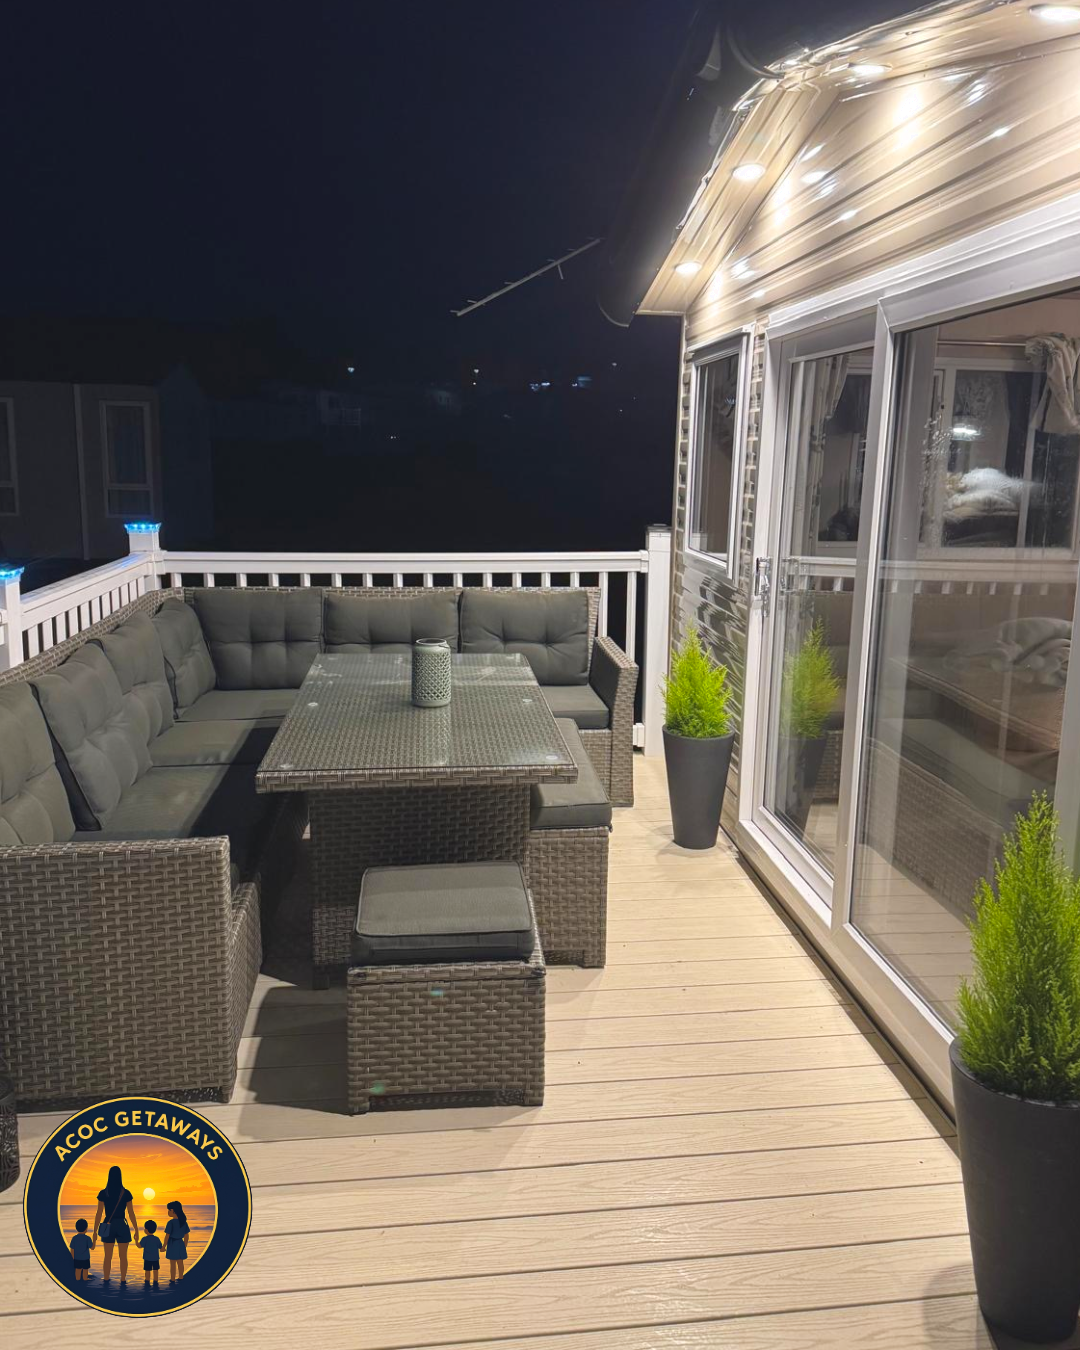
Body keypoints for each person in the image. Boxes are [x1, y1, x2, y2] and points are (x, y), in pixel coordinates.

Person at [92, 1164, 138, 1286]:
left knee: (107, 1256)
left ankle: (106, 1279)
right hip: (122, 1225)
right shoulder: (126, 1193)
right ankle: (123, 1280)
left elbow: (99, 1213)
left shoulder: (104, 1193)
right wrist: (136, 1229)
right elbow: (131, 1213)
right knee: (123, 1256)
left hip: (108, 1225)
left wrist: (95, 1232)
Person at [164, 1201, 190, 1284]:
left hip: (172, 1243)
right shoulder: (183, 1222)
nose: (168, 1212)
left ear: (173, 1210)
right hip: (180, 1243)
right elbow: (186, 1235)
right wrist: (185, 1245)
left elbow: (167, 1235)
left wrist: (164, 1245)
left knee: (173, 1263)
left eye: (169, 1210)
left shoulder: (171, 1223)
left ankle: (172, 1279)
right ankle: (181, 1277)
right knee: (180, 1262)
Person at [137, 1219, 163, 1288]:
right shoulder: (157, 1239)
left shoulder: (144, 1239)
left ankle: (147, 1281)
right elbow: (161, 1247)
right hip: (155, 1258)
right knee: (156, 1270)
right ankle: (156, 1281)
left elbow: (139, 1246)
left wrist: (136, 1240)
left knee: (147, 1271)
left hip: (147, 1258)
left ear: (146, 1230)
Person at [70, 1218, 94, 1283]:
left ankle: (77, 1279)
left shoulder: (74, 1238)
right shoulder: (87, 1238)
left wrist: (73, 1258)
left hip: (77, 1258)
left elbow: (72, 1249)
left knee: (77, 1270)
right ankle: (85, 1278)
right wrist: (94, 1240)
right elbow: (92, 1247)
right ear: (86, 1228)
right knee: (85, 1269)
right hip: (85, 1258)